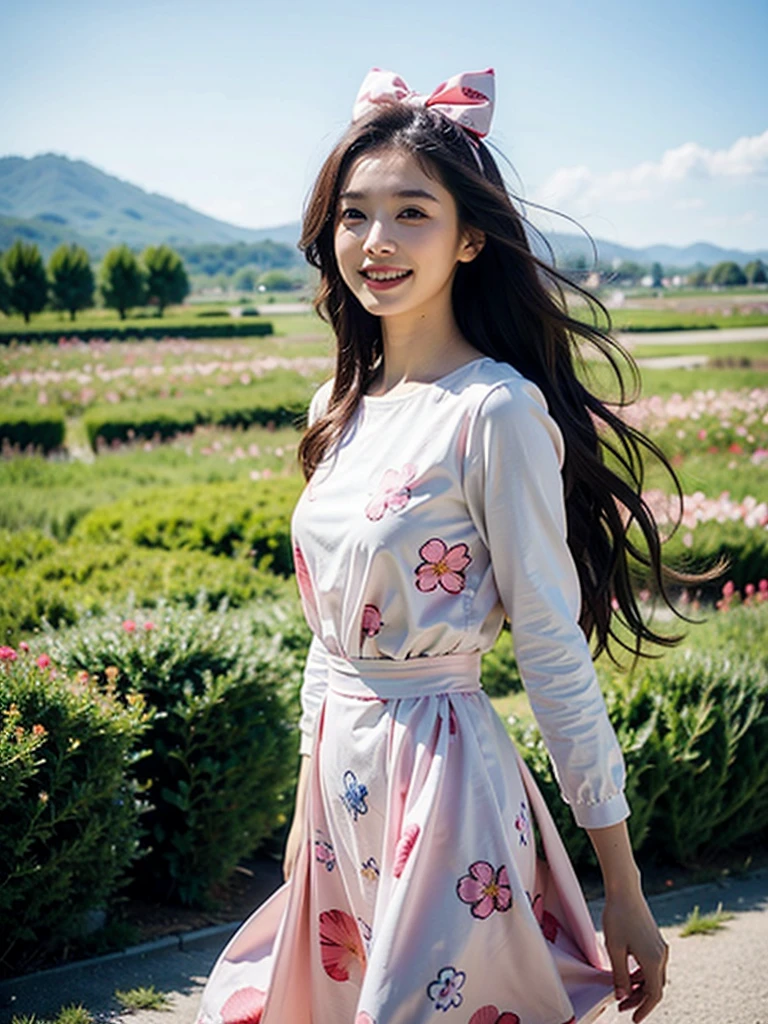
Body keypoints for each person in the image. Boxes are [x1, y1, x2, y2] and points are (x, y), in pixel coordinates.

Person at [194, 66, 710, 1024]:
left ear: (472, 238)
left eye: (411, 213)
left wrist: (625, 891)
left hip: (443, 785)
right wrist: (311, 811)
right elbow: (328, 640)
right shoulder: (337, 408)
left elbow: (552, 651)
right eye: (354, 214)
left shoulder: (495, 411)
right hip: (340, 795)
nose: (376, 241)